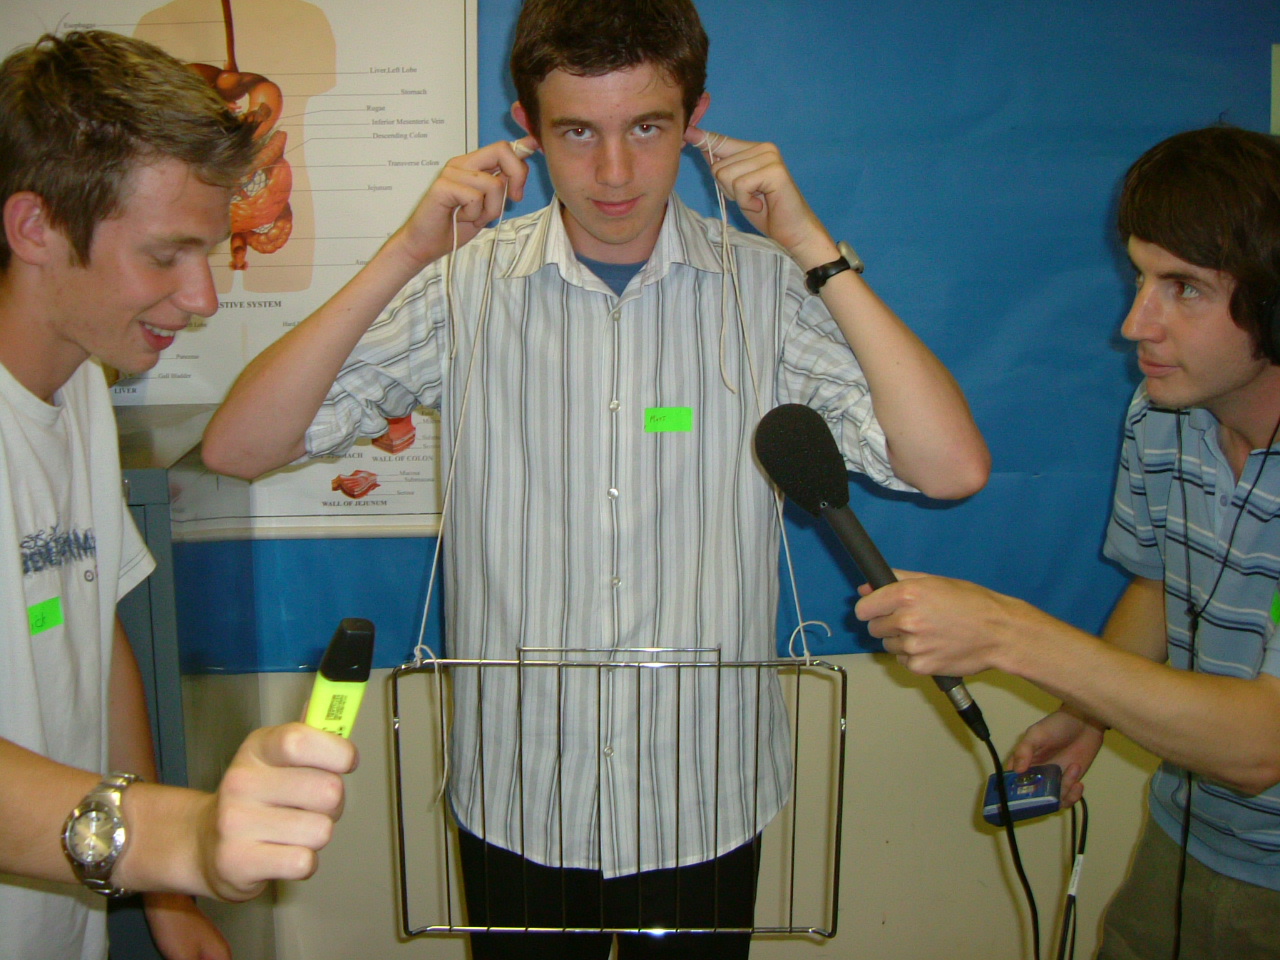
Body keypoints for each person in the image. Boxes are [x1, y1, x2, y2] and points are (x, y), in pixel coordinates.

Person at [202, 0, 989, 955]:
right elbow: (238, 448)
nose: (614, 172)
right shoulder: (465, 286)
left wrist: (813, 248)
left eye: (647, 128)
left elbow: (948, 468)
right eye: (577, 131)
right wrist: (409, 252)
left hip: (704, 792)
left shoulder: (768, 292)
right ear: (527, 132)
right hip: (523, 794)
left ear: (695, 122)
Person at [855, 125, 1280, 960]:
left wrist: (1012, 633)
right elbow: (1160, 586)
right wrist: (1087, 715)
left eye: (1183, 289)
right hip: (1186, 838)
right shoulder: (1164, 420)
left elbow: (1261, 746)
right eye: (1140, 279)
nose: (1135, 325)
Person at [0, 31, 357, 960]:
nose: (201, 296)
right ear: (34, 227)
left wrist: (160, 887)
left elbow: (96, 626)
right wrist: (175, 838)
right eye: (166, 256)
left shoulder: (78, 377)